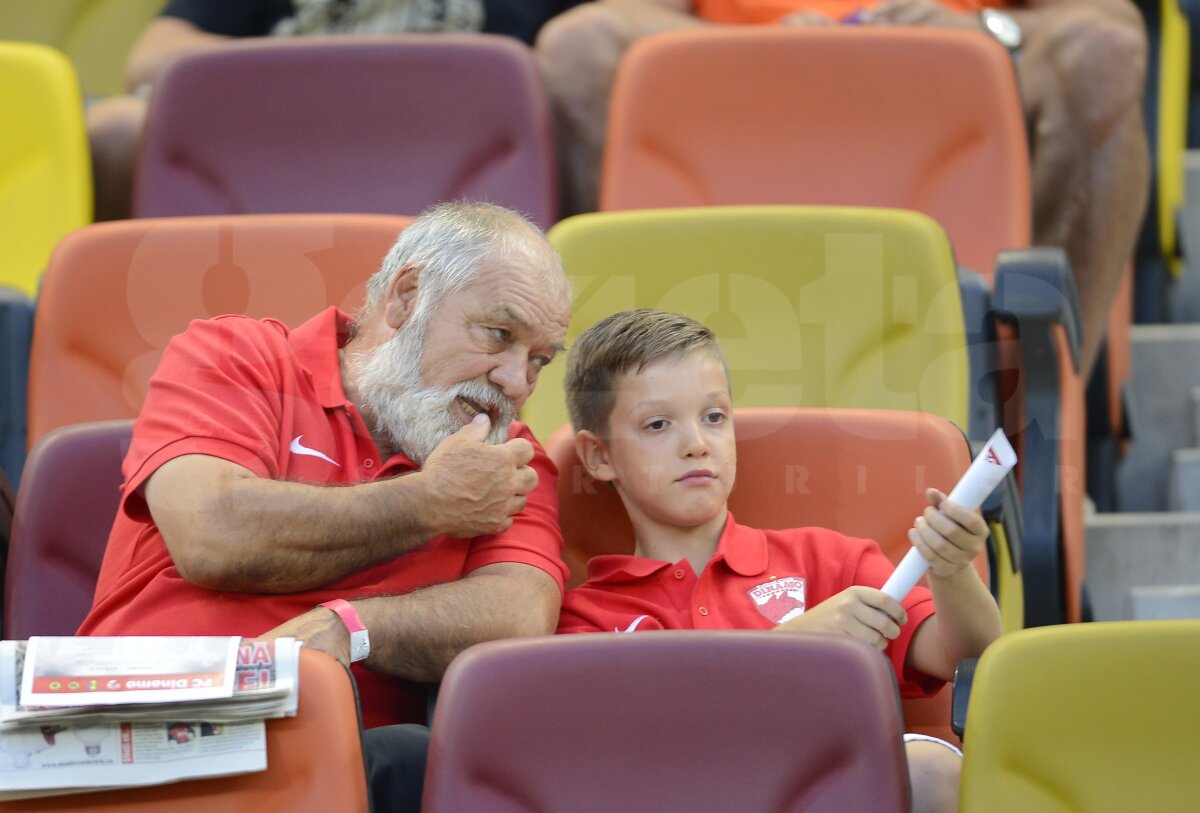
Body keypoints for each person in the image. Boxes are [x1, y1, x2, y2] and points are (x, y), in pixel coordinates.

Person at [77, 201, 573, 811]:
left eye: (540, 360)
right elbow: (212, 534)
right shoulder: (239, 356)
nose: (517, 381)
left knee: (416, 758)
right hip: (141, 728)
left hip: (334, 768)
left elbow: (517, 613)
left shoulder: (509, 460)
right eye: (500, 334)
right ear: (406, 296)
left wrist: (352, 628)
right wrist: (431, 502)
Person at [535, 0, 1148, 379]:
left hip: (945, 83)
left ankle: (1043, 388)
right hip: (744, 95)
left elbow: (1111, 21)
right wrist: (750, 46)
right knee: (575, 46)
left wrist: (983, 26)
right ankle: (627, 366)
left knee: (1103, 51)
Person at [555, 308, 1002, 813]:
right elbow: (625, 755)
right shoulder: (586, 619)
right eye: (658, 424)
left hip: (833, 793)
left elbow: (966, 652)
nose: (697, 445)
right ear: (599, 457)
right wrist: (793, 648)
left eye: (714, 417)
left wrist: (952, 566)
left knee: (930, 768)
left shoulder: (828, 560)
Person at [88, 0, 586, 221]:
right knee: (113, 128)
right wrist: (321, 84)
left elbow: (603, 41)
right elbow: (151, 57)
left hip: (462, 161)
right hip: (278, 153)